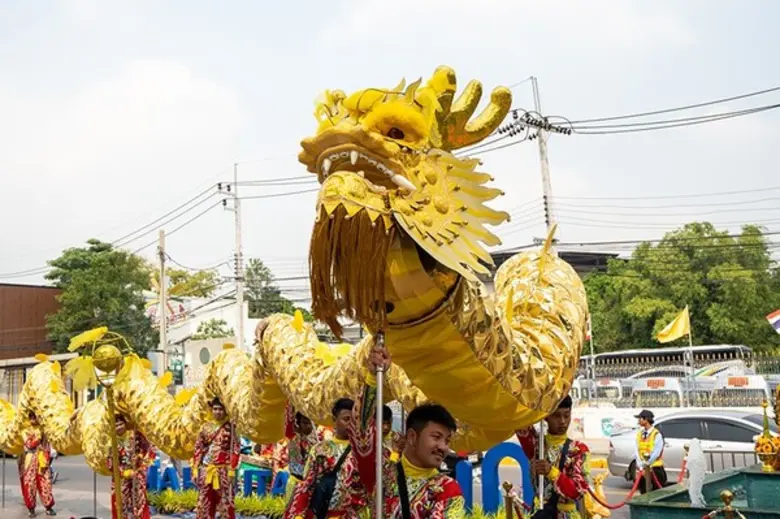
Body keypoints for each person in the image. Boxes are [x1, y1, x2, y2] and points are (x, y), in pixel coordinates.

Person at [350, 345, 465, 518]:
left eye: (447, 440)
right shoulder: (382, 475)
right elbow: (362, 432)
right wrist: (372, 379)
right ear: (412, 436)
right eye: (436, 437)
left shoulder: (447, 490)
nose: (443, 447)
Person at [284, 398, 367, 518]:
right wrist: (299, 514)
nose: (350, 424)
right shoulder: (320, 450)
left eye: (354, 420)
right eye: (346, 419)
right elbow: (307, 485)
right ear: (334, 419)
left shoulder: (363, 451)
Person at [516, 395, 591, 519]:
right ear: (545, 417)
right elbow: (518, 419)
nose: (562, 421)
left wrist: (552, 472)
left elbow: (578, 491)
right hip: (540, 513)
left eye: (566, 415)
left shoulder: (578, 450)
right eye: (556, 416)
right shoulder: (536, 445)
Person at [193, 397, 240, 519]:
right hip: (206, 469)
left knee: (225, 502)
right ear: (211, 410)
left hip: (223, 470)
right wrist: (195, 467)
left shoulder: (231, 427)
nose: (217, 412)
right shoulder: (205, 427)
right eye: (215, 409)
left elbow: (235, 448)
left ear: (225, 411)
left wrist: (232, 468)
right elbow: (198, 448)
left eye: (220, 409)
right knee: (204, 501)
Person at [107, 414, 156, 519]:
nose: (119, 427)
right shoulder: (111, 443)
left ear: (125, 424)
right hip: (121, 477)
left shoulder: (135, 435)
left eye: (121, 424)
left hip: (136, 474)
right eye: (116, 425)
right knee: (120, 504)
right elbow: (109, 463)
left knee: (139, 504)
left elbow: (149, 448)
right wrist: (123, 473)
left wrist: (139, 457)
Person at [18, 412, 56, 517]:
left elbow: (47, 445)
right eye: (31, 416)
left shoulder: (43, 428)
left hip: (42, 460)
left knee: (46, 483)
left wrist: (47, 457)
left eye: (35, 416)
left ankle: (49, 507)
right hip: (30, 459)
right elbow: (29, 444)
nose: (33, 418)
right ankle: (31, 509)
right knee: (30, 484)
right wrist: (37, 438)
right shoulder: (25, 430)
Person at [634, 409, 667, 493]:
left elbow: (656, 453)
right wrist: (641, 465)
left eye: (640, 418)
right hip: (642, 469)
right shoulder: (639, 434)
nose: (639, 420)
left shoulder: (656, 434)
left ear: (646, 419)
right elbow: (636, 450)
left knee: (656, 494)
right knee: (643, 493)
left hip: (655, 469)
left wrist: (646, 464)